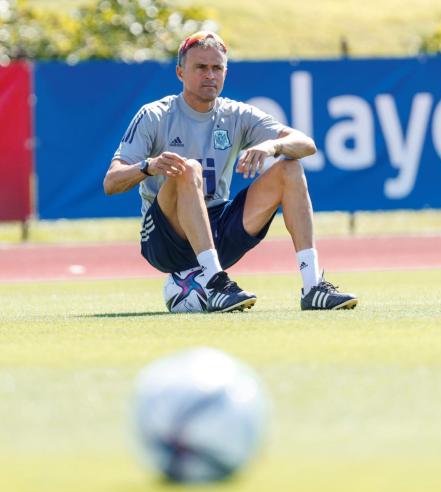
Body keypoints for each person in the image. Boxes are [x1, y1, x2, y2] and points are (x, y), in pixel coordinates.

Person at [103, 31, 357, 313]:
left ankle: (312, 287)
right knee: (189, 168)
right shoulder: (155, 115)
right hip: (165, 240)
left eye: (217, 68)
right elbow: (111, 181)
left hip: (217, 231)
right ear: (180, 72)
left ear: (225, 72)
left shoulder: (235, 114)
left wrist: (272, 146)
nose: (210, 75)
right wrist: (148, 166)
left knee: (290, 167)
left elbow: (306, 144)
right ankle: (215, 283)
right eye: (201, 67)